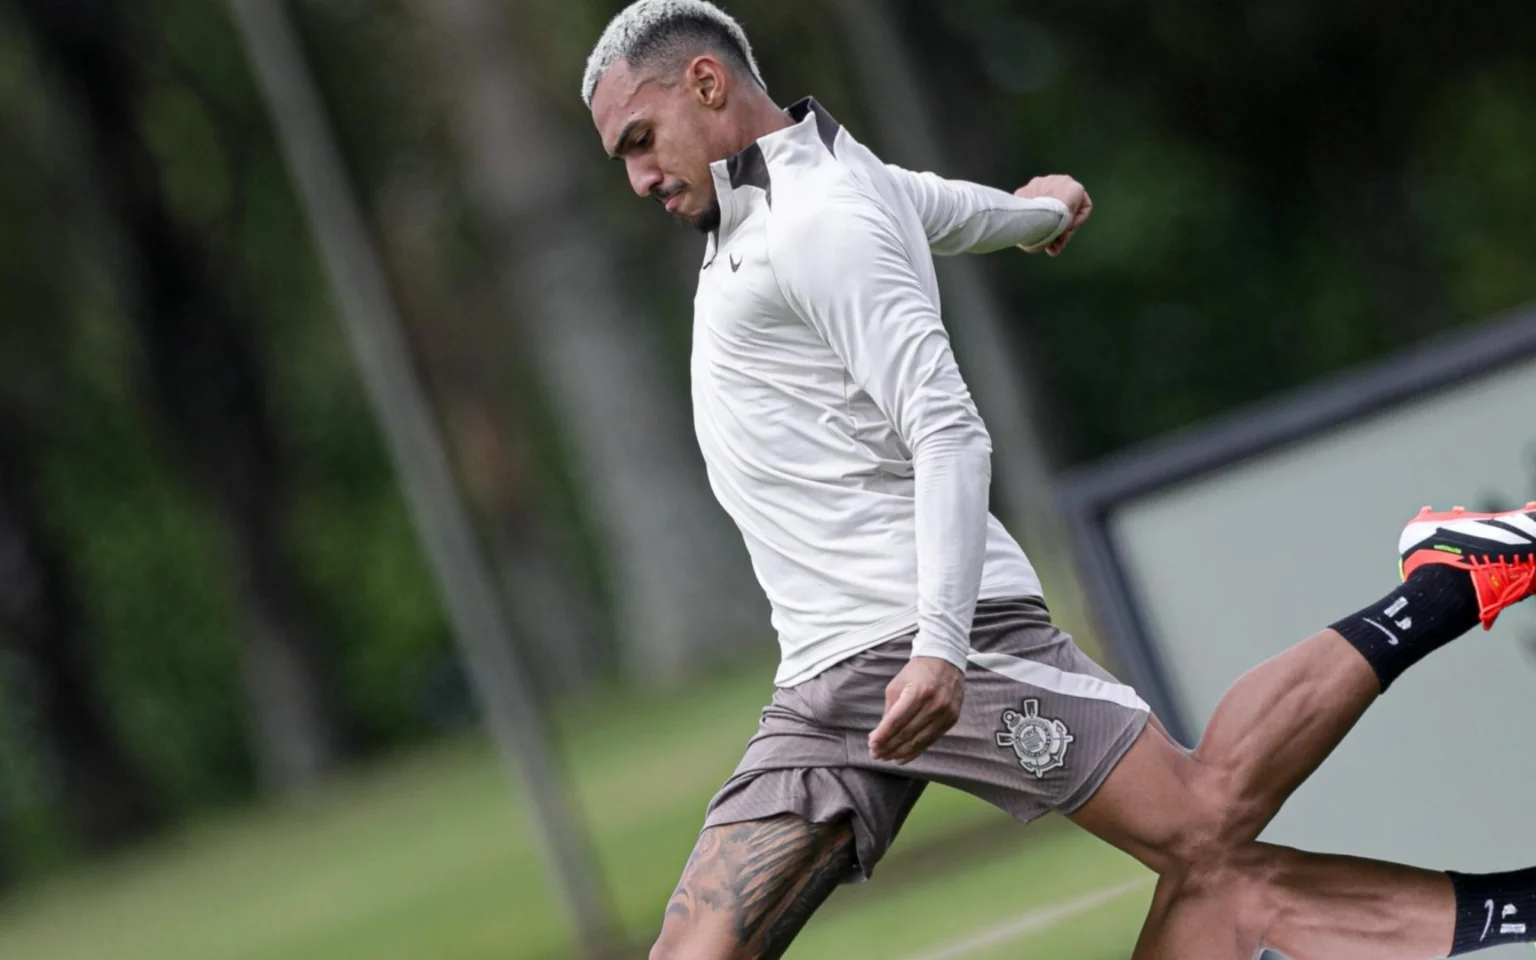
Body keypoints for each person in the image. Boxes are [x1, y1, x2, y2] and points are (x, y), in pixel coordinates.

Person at [580, 2, 1536, 957]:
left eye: (640, 140)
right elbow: (920, 200)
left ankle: (1449, 580)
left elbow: (949, 431)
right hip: (821, 683)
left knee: (1202, 826)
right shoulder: (804, 184)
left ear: (707, 84)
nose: (636, 178)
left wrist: (943, 648)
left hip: (915, 635)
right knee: (1215, 876)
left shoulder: (819, 221)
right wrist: (1033, 213)